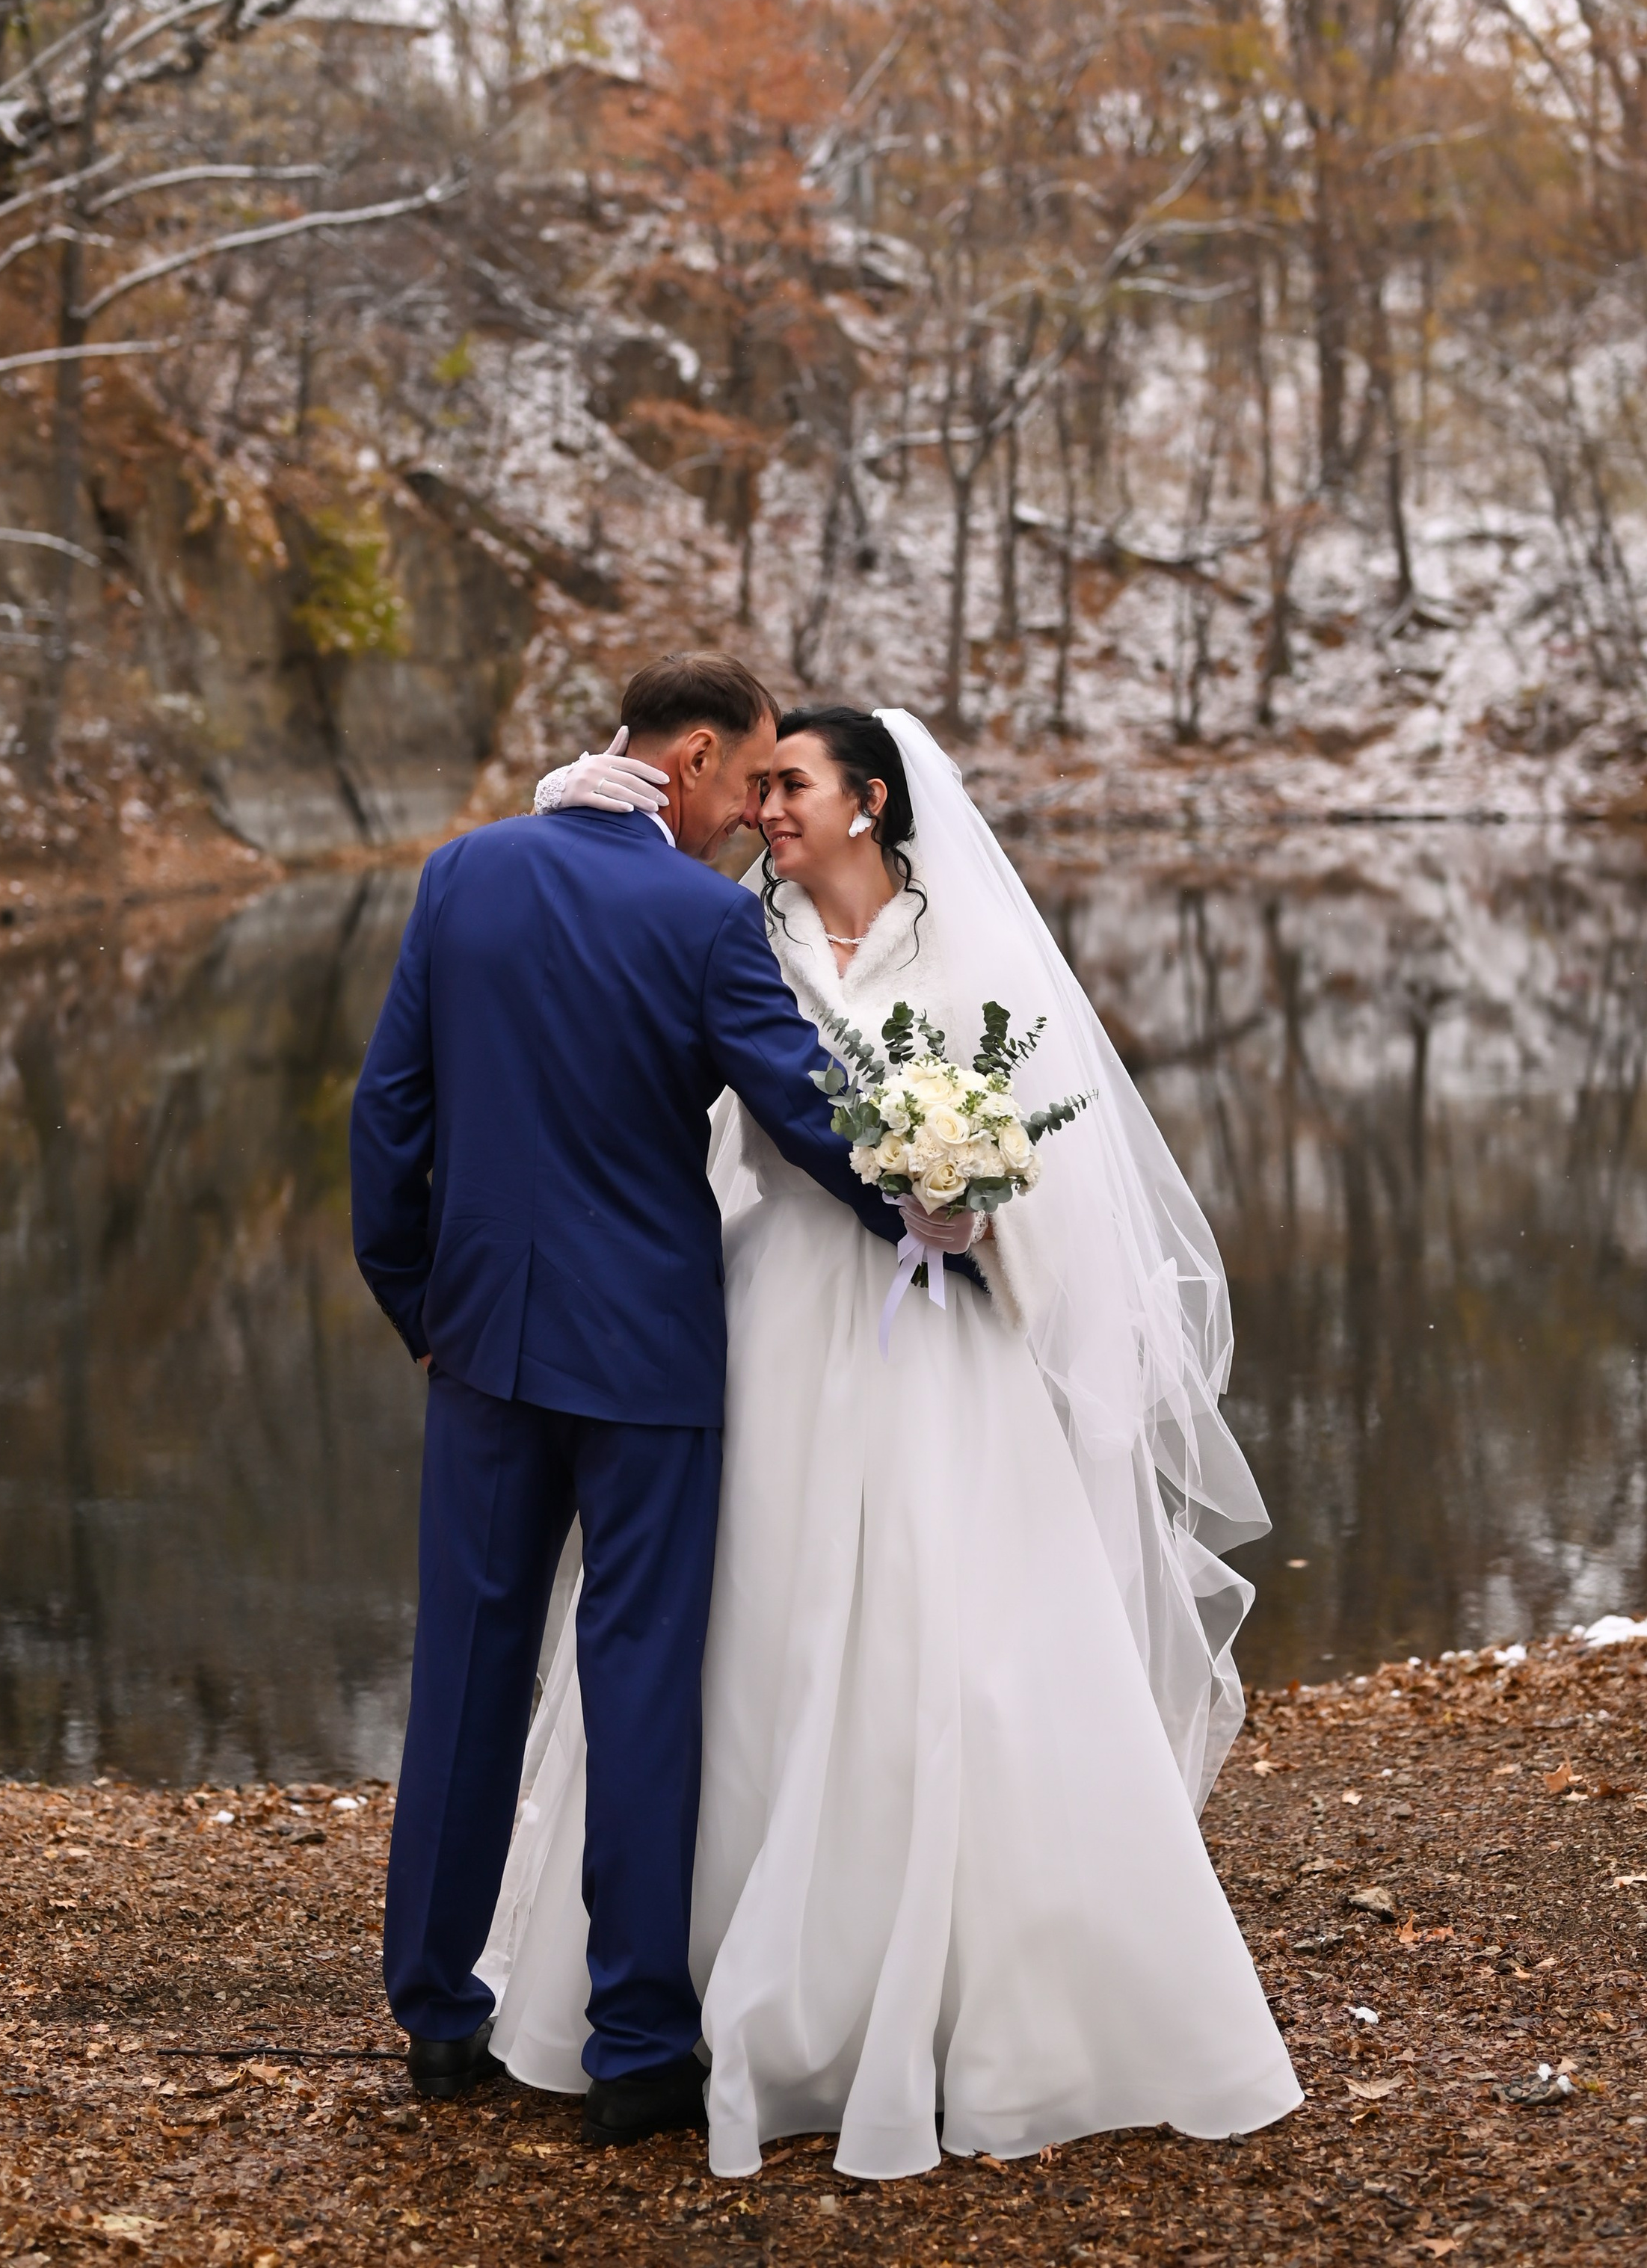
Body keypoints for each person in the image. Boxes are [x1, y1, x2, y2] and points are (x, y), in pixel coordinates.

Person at [485, 703, 1302, 2177]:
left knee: (958, 1638)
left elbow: (1056, 1170)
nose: (761, 806)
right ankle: (675, 2000)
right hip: (771, 1320)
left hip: (940, 1336)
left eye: (790, 782)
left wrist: (970, 1193)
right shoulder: (734, 933)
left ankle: (998, 2007)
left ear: (868, 800)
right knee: (744, 1635)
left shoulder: (974, 958)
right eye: (758, 781)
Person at [347, 656, 976, 2148]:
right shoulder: (702, 918)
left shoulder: (461, 875)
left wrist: (415, 1305)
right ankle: (635, 2043)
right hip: (645, 1360)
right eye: (747, 779)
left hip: (484, 1344)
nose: (751, 814)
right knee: (637, 1676)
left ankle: (437, 2012)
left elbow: (389, 1114)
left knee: (469, 1673)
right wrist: (938, 1214)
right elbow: (799, 1108)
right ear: (688, 756)